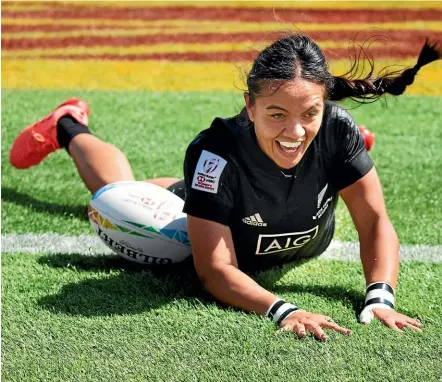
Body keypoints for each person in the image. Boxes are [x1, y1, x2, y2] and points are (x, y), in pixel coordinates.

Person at [10, 35, 441, 341]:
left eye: (309, 113)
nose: (294, 128)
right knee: (121, 196)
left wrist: (379, 296)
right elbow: (214, 270)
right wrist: (283, 309)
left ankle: (326, 163)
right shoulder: (215, 155)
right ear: (248, 107)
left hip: (299, 226)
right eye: (276, 114)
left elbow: (374, 220)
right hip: (225, 221)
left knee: (315, 145)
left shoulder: (335, 127)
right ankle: (67, 124)